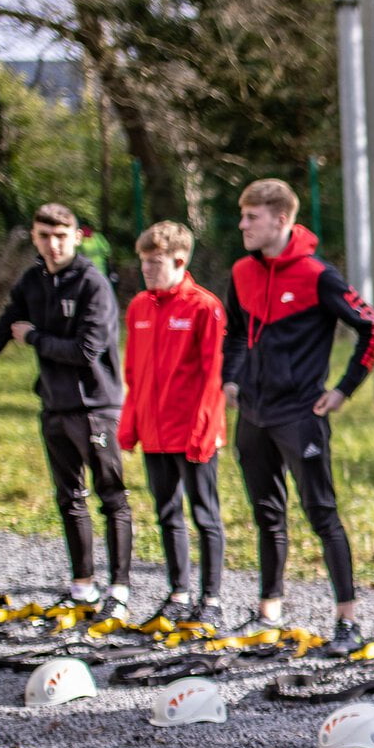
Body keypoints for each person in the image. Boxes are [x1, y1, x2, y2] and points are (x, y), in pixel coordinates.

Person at [0, 203, 133, 618]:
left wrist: (34, 336)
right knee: (69, 497)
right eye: (44, 236)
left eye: (60, 236)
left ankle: (120, 590)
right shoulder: (31, 282)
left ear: (77, 236)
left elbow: (86, 351)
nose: (53, 245)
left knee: (112, 499)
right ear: (34, 238)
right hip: (54, 406)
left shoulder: (92, 284)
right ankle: (82, 587)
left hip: (96, 407)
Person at [222, 178, 374, 655]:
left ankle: (347, 621)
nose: (243, 224)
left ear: (280, 219)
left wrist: (343, 390)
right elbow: (233, 333)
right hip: (253, 413)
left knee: (322, 514)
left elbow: (372, 328)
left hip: (300, 414)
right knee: (266, 514)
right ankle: (268, 611)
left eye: (251, 217)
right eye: (243, 215)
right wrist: (231, 379)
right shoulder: (240, 271)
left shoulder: (318, 275)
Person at [116, 221, 227, 628]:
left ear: (180, 260)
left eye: (155, 261)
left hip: (194, 432)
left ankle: (211, 599)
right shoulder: (138, 307)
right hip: (156, 433)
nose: (146, 268)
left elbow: (213, 375)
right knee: (167, 513)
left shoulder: (205, 306)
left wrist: (203, 431)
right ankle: (178, 593)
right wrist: (131, 425)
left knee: (204, 514)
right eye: (143, 261)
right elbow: (133, 373)